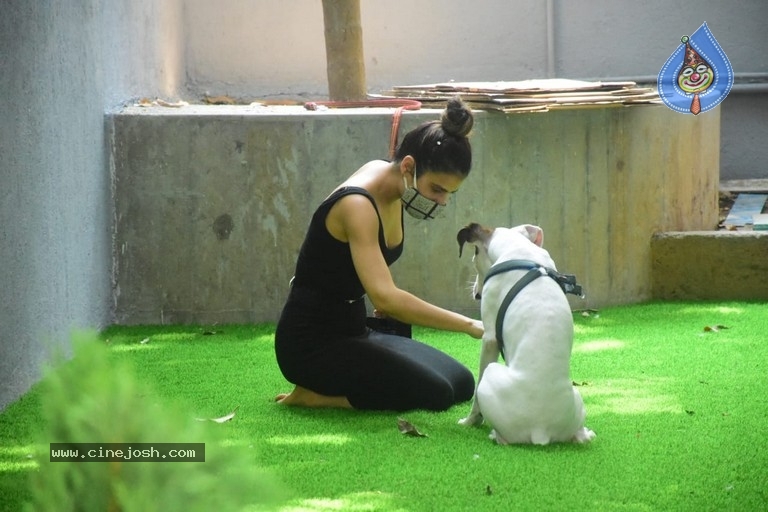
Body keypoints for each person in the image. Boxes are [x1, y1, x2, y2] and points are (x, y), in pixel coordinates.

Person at [274, 96, 483, 411]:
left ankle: (351, 378)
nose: (442, 202)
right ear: (409, 167)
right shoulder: (357, 206)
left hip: (354, 330)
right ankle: (314, 395)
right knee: (436, 394)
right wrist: (468, 324)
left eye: (449, 194)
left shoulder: (392, 180)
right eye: (438, 189)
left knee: (462, 383)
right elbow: (385, 299)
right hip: (310, 343)